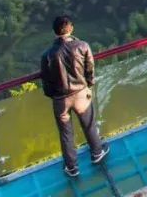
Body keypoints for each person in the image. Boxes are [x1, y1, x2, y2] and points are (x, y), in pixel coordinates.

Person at [39, 15, 108, 177]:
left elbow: (46, 81)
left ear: (54, 32)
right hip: (81, 95)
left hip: (60, 100)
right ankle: (97, 153)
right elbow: (90, 68)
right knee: (89, 125)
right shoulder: (82, 46)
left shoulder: (47, 55)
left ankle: (72, 167)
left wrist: (53, 96)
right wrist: (89, 85)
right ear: (71, 28)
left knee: (66, 134)